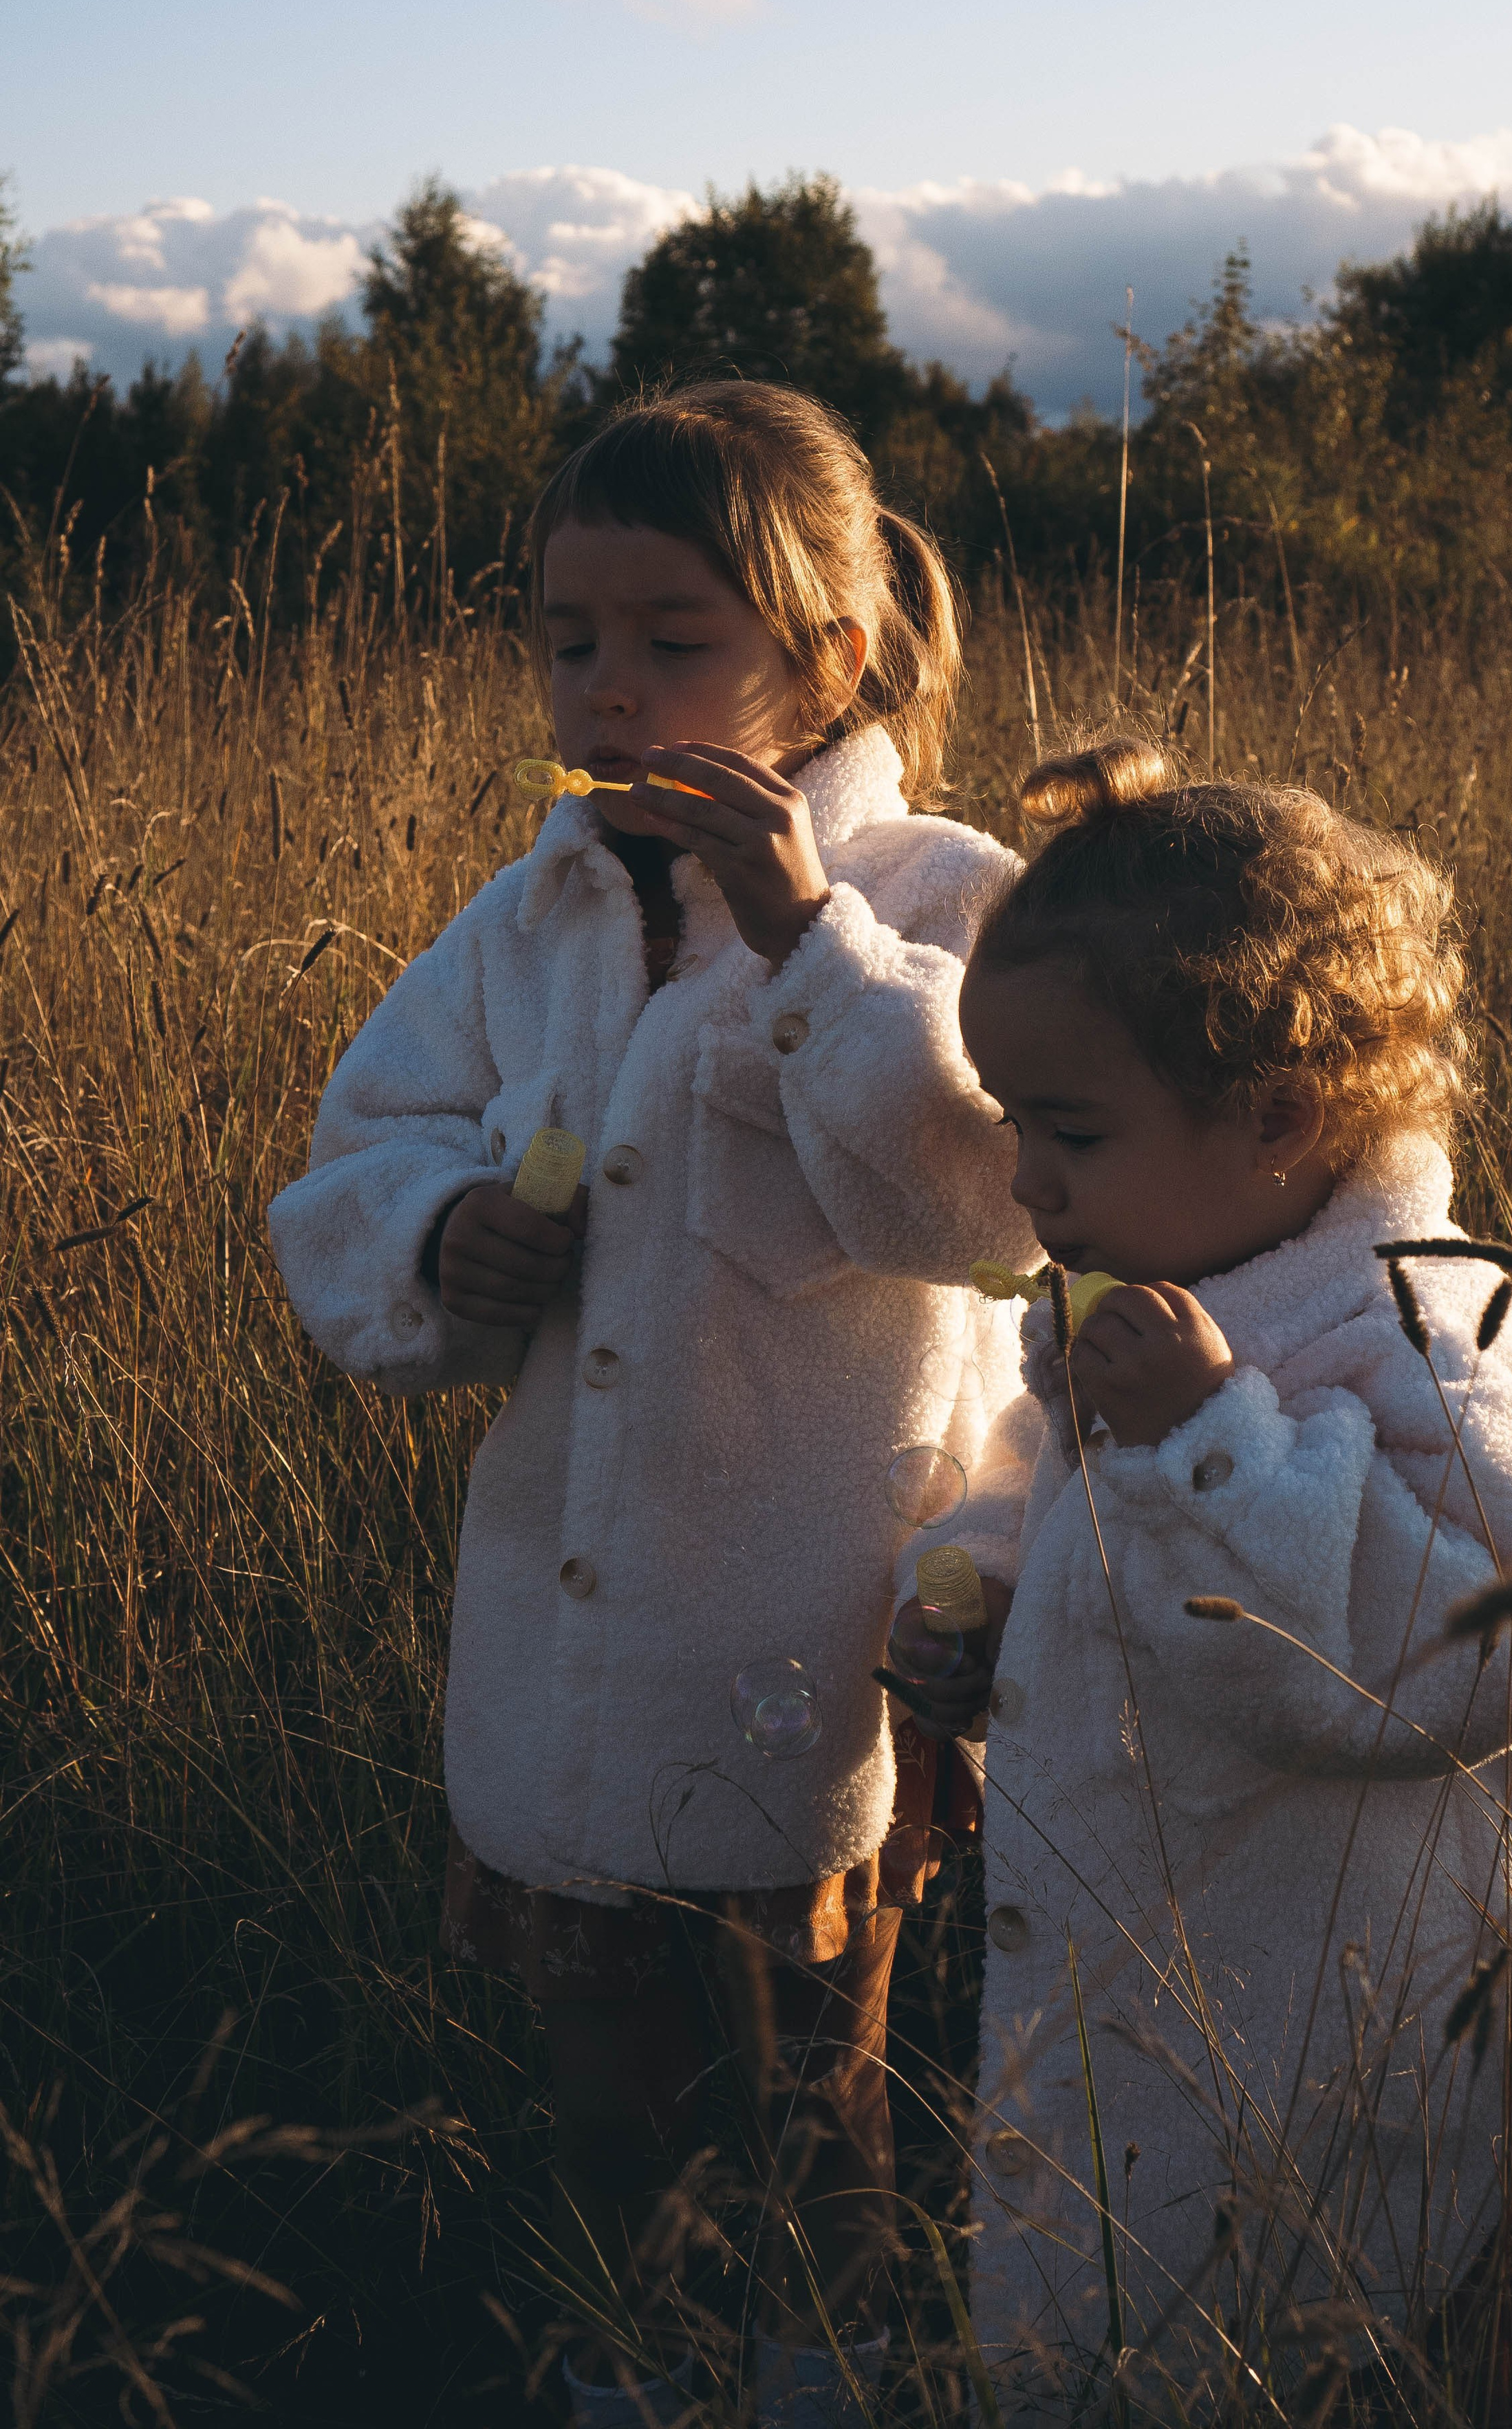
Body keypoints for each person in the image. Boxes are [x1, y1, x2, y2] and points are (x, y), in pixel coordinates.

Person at [268, 382, 1038, 2426]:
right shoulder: (525, 923)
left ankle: (820, 2386)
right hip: (566, 1642)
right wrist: (441, 1239)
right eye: (568, 638)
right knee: (608, 2110)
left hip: (794, 1649)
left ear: (831, 657)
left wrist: (809, 940)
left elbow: (985, 1210)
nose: (608, 688)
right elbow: (352, 1155)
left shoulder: (951, 904)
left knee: (810, 2114)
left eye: (672, 640)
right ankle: (641, 2385)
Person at [908, 737, 1512, 2421]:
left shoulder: (1432, 1327)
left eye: (1070, 1128)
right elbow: (1052, 1483)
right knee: (1149, 2308)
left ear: (1276, 1118)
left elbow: (1492, 1654)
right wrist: (976, 1592)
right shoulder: (1171, 1267)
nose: (1024, 1178)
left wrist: (1214, 1450)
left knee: (1329, 2354)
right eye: (1007, 1121)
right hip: (1158, 2005)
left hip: (1356, 2047)